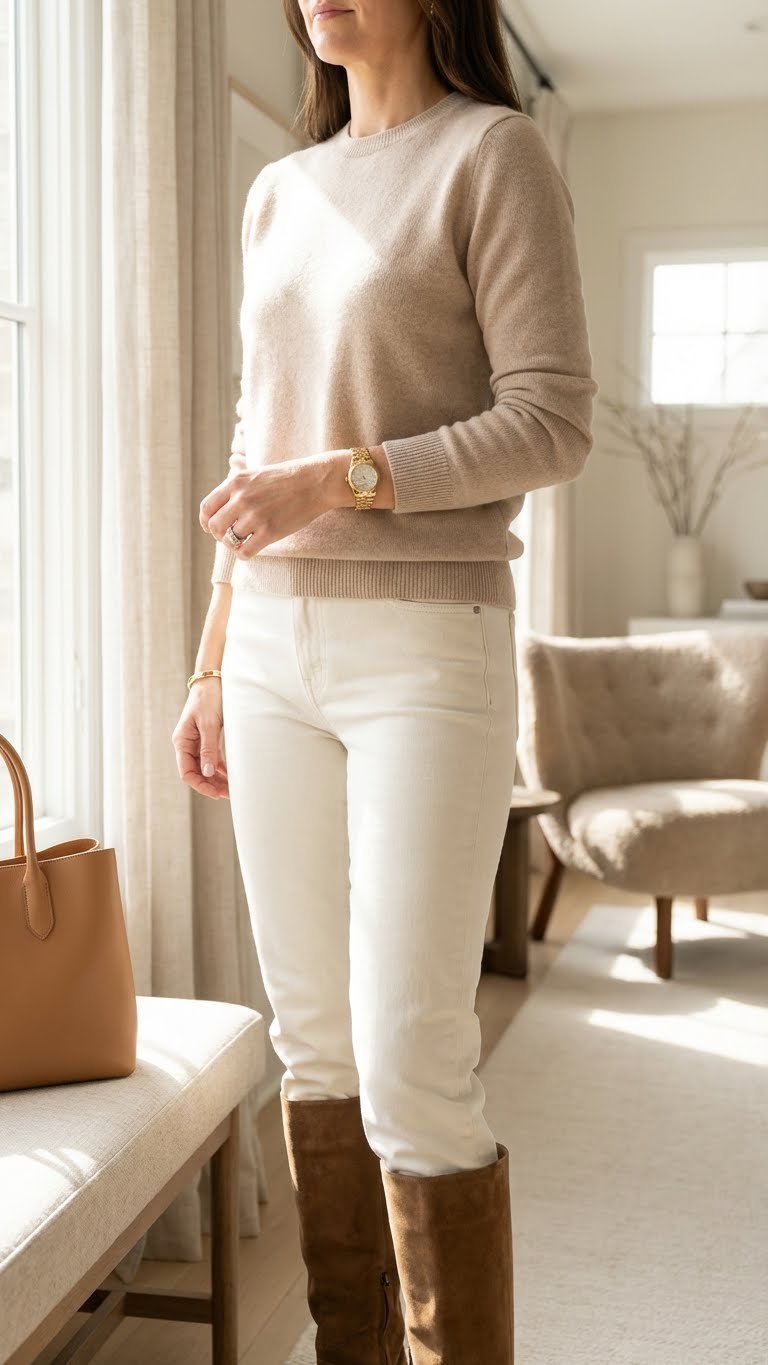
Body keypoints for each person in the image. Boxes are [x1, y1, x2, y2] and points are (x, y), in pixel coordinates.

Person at [172, 1, 598, 1360]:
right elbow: (260, 433)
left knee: (415, 1062)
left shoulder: (496, 154)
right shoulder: (279, 191)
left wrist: (347, 478)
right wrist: (210, 655)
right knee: (316, 1049)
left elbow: (552, 417)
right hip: (270, 652)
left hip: (425, 644)